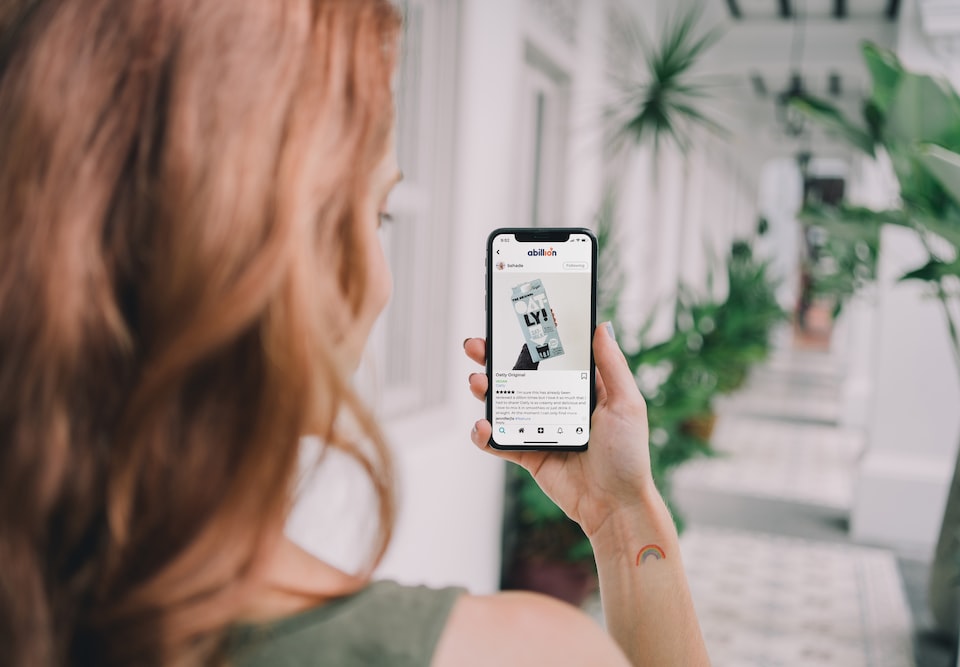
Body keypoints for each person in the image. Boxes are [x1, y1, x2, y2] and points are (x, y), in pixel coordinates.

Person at [0, 1, 709, 665]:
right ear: (251, 252)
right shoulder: (526, 653)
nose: (381, 279)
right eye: (376, 214)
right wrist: (622, 516)